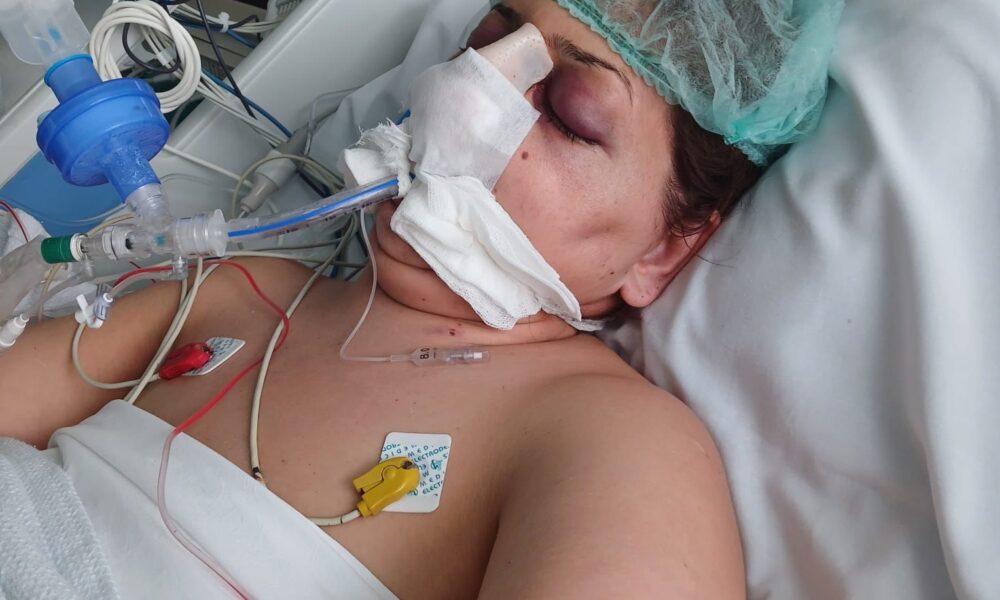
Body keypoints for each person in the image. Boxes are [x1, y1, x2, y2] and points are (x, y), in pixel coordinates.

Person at [0, 0, 840, 597]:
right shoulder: (232, 290)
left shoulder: (610, 440)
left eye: (570, 115)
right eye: (485, 47)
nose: (471, 98)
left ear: (664, 248)